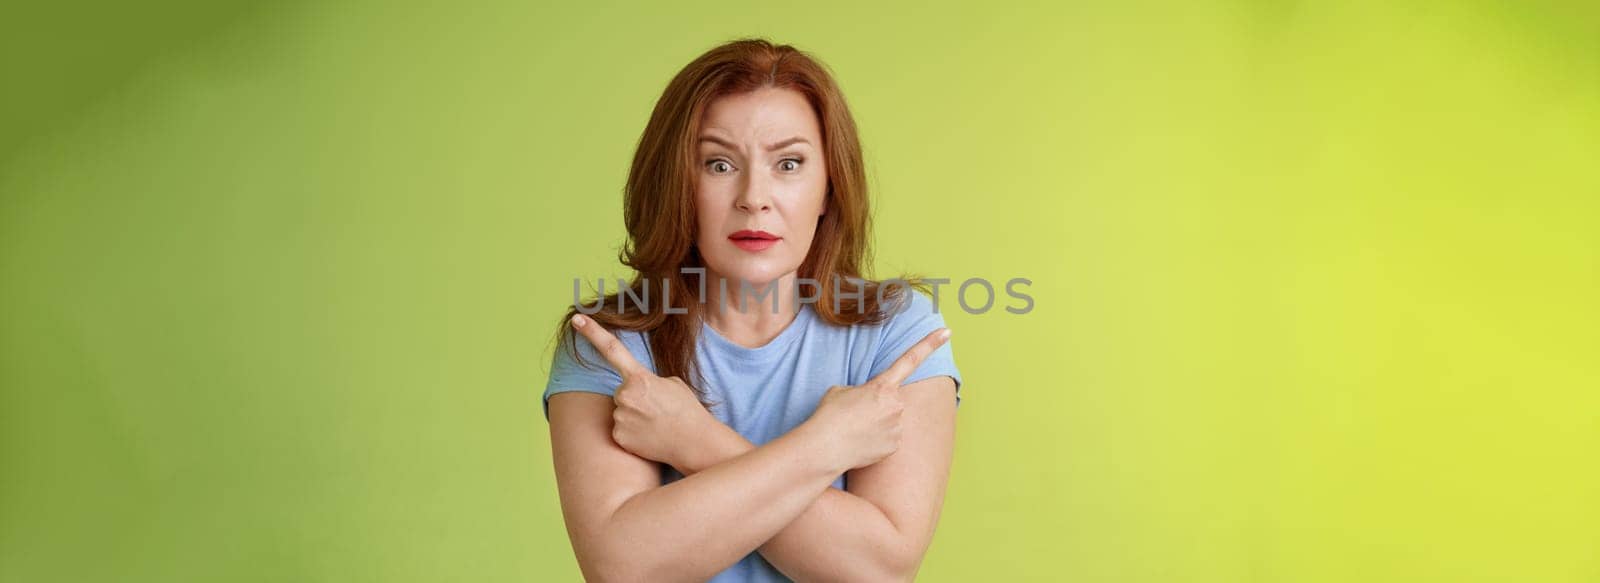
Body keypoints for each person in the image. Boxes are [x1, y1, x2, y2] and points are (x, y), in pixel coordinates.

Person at [543, 37, 963, 582]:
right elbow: (625, 570)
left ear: (829, 188)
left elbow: (877, 572)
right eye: (719, 165)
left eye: (788, 163)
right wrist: (826, 445)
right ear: (677, 186)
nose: (754, 197)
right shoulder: (609, 344)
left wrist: (694, 441)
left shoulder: (897, 333)